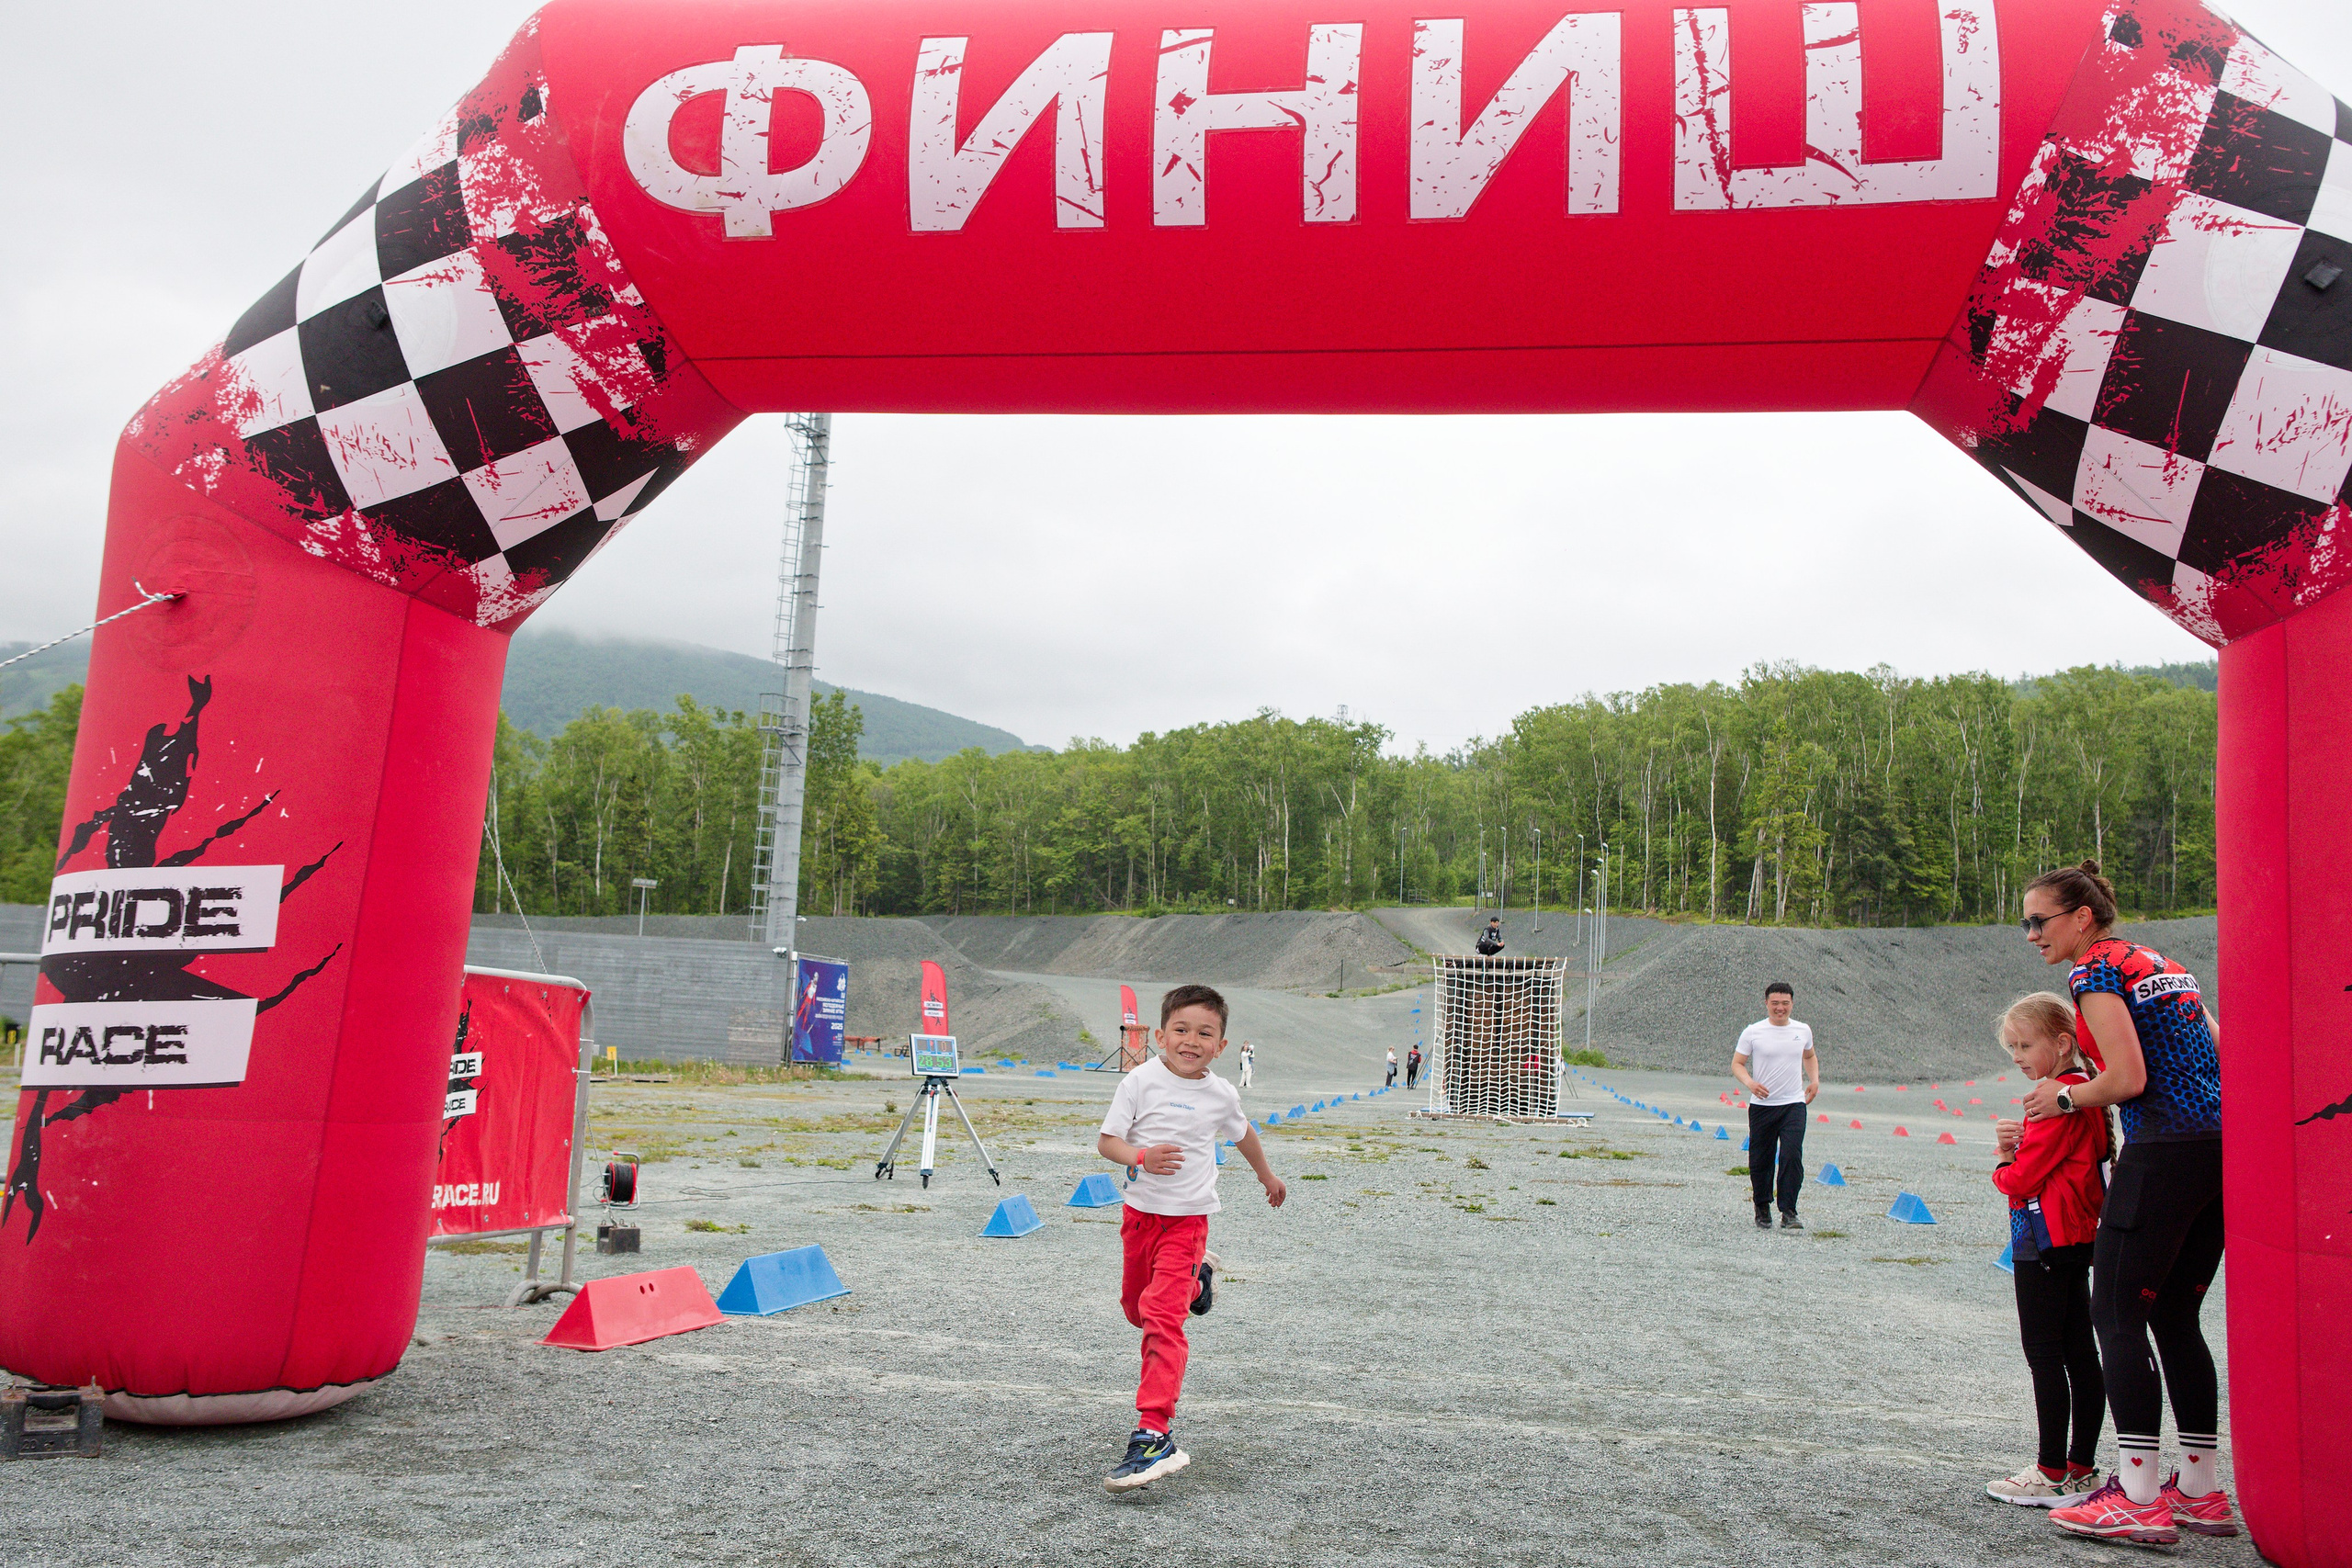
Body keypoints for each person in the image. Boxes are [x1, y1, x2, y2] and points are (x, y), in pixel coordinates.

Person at [2019, 862, 2233, 1545]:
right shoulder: (2167, 963)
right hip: (2217, 1150)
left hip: (2164, 1149)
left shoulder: (2096, 970)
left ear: (2081, 918)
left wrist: (2064, 1096)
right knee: (2175, 1313)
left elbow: (2128, 1077)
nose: (2030, 935)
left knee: (2114, 1309)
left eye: (2038, 921)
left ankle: (2138, 1495)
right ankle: (2199, 1489)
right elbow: (2225, 1052)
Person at [1095, 984, 1286, 1493]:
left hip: (1188, 1222)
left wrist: (1268, 1177)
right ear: (1161, 1035)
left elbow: (1243, 1133)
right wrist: (1140, 1157)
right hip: (1140, 1218)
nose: (1191, 1040)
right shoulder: (1139, 1081)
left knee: (1161, 1318)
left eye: (1205, 1033)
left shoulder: (1221, 1093)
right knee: (1136, 1309)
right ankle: (1199, 1283)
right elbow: (1107, 1142)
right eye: (1181, 1030)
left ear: (1222, 1045)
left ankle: (1154, 1435)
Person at [1986, 992, 2109, 1509]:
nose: (2017, 1056)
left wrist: (2004, 1156)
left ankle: (2050, 1470)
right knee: (2080, 1351)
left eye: (2024, 1044)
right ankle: (2080, 1467)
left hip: (2043, 1239)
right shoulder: (2086, 1090)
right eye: (2011, 1046)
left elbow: (2020, 1179)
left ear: (2062, 1043)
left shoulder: (2055, 1097)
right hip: (2077, 1236)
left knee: (2045, 1354)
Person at [1732, 982, 1817, 1229]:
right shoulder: (1753, 1032)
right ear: (1766, 1003)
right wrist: (1750, 1082)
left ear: (1792, 1003)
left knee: (1792, 1154)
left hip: (1793, 1103)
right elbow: (1737, 1063)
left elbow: (1809, 1056)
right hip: (1762, 1106)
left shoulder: (1803, 1030)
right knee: (1761, 1158)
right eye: (1775, 1003)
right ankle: (1762, 1207)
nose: (1780, 1008)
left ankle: (1789, 1211)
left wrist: (1814, 1080)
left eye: (1785, 1003)